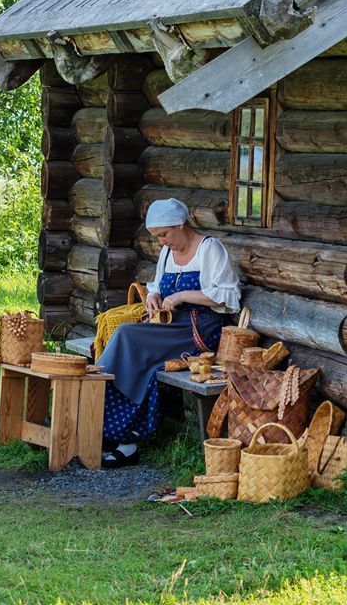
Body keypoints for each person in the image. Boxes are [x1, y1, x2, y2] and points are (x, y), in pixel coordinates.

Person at [97, 198, 240, 468]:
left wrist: (184, 295)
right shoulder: (167, 254)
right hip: (172, 325)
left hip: (200, 330)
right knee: (128, 339)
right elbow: (156, 283)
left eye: (164, 234)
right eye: (157, 236)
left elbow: (228, 296)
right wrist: (154, 295)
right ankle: (108, 426)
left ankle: (123, 438)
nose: (161, 241)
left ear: (181, 224)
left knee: (129, 336)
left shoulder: (209, 249)